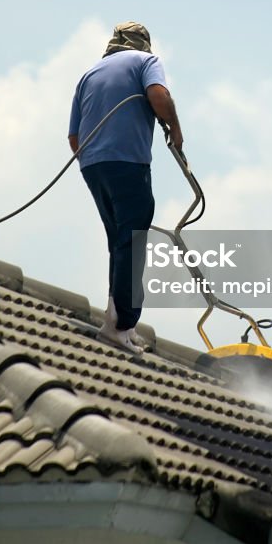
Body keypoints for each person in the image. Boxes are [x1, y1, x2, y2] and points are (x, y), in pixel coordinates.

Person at [68, 22, 183, 354]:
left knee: (118, 242)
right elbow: (158, 95)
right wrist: (174, 127)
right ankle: (120, 326)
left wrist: (98, 160)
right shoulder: (146, 62)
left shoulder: (89, 75)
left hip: (92, 165)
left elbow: (74, 138)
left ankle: (116, 322)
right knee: (132, 241)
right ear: (142, 44)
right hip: (127, 163)